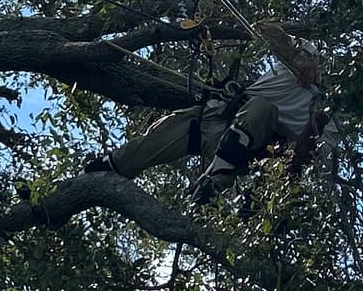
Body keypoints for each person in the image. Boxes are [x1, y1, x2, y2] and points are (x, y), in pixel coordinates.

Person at [84, 12, 323, 201]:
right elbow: (263, 29)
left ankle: (212, 184)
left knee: (262, 108)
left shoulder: (328, 116)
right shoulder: (306, 53)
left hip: (251, 144)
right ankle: (111, 167)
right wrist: (294, 54)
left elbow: (303, 158)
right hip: (220, 116)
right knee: (162, 133)